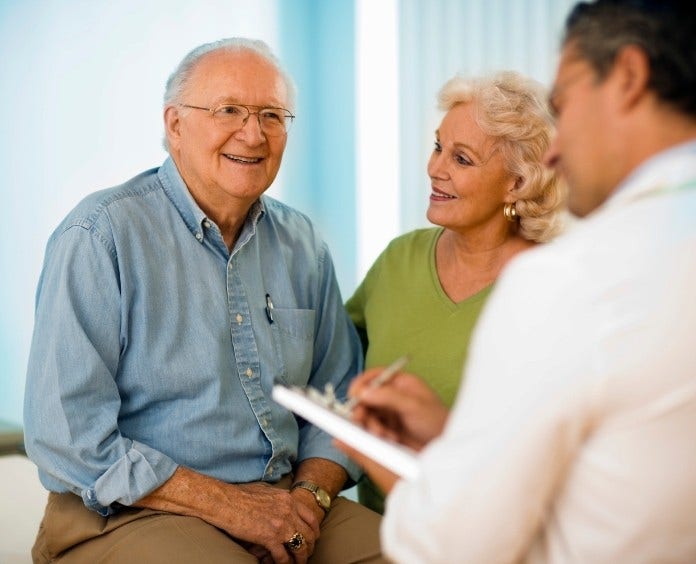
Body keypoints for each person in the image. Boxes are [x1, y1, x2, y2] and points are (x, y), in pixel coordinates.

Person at [339, 1, 696, 562]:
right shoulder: (403, 260)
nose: (556, 149)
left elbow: (455, 545)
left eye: (567, 102)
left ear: (628, 76)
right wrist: (451, 439)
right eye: (439, 148)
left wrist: (378, 456)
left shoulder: (565, 281)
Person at [23, 37, 385, 563]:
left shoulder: (302, 243)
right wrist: (231, 508)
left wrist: (306, 499)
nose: (253, 133)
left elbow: (339, 400)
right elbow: (68, 439)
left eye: (272, 115)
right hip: (130, 512)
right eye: (229, 110)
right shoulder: (99, 235)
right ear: (175, 125)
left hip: (284, 502)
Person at [345, 70, 566, 513]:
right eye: (437, 146)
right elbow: (334, 362)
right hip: (377, 530)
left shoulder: (555, 286)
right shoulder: (399, 260)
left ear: (518, 182)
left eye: (462, 159)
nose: (435, 169)